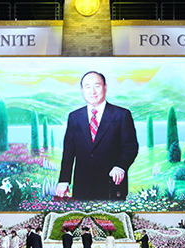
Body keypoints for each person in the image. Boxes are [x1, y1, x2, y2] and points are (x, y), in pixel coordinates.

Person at [56, 71, 139, 201]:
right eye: (87, 87)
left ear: (105, 87)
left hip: (112, 185)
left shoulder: (122, 115)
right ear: (82, 90)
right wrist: (64, 180)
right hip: (82, 186)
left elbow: (131, 147)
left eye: (97, 86)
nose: (92, 91)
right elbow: (69, 152)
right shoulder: (74, 117)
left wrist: (121, 166)